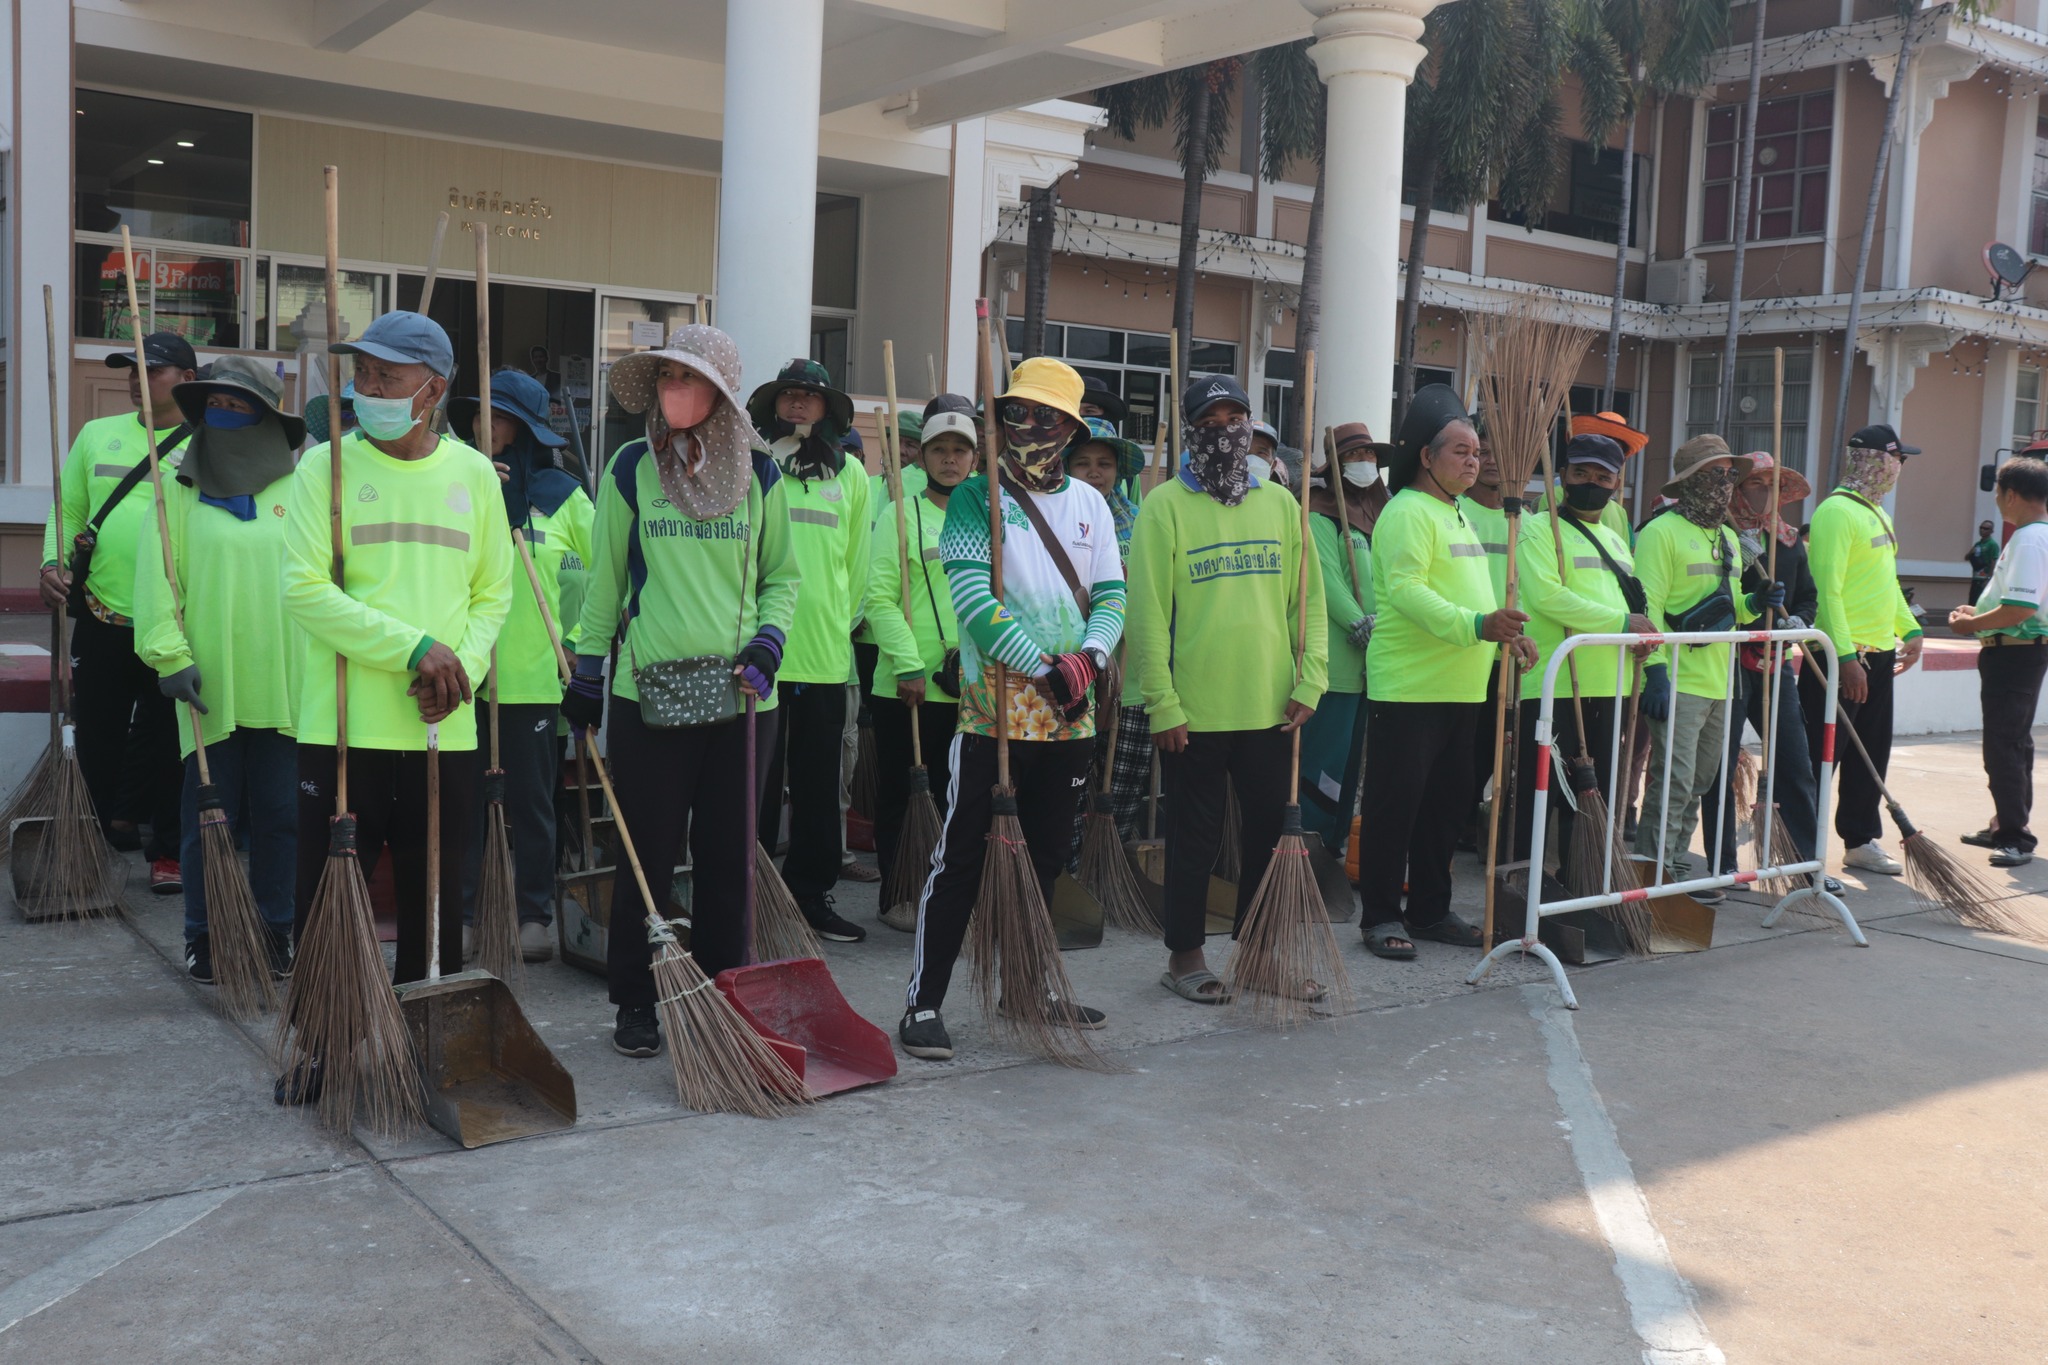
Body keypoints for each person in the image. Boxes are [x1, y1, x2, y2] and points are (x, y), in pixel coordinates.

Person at [564, 325, 797, 1058]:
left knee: (729, 860)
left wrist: (770, 641)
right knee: (647, 856)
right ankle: (637, 999)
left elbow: (783, 578)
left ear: (721, 392)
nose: (673, 391)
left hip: (743, 697)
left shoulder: (762, 475)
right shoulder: (631, 466)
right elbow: (605, 581)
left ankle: (725, 995)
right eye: (665, 377)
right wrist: (588, 672)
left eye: (688, 379)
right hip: (650, 696)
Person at [280, 311, 512, 1012]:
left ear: (432, 389)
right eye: (362, 372)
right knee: (329, 905)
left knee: (433, 912)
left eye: (386, 375)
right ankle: (324, 1043)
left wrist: (460, 671)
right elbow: (303, 590)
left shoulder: (475, 474)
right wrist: (415, 649)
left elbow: (492, 593)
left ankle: (421, 1043)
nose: (367, 387)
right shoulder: (324, 467)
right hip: (342, 728)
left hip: (444, 730)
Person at [900, 357, 1125, 1061]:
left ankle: (1027, 987)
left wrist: (1089, 659)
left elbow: (1112, 594)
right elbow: (973, 598)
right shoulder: (976, 498)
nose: (1029, 427)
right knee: (961, 859)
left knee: (1047, 857)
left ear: (1071, 429)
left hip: (1070, 716)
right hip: (991, 715)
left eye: (1046, 417)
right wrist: (1042, 666)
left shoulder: (1091, 505)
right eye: (1016, 413)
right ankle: (923, 1001)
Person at [1125, 373, 1326, 1004]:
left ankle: (1260, 955)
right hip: (1194, 712)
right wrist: (1162, 702)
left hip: (1272, 706)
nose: (1224, 432)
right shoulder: (1164, 505)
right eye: (1210, 423)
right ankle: (1185, 955)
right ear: (1191, 432)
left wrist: (1312, 677)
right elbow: (1147, 614)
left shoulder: (1281, 504)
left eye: (1234, 420)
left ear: (1251, 425)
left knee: (1268, 836)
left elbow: (1308, 603)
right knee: (1195, 838)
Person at [133, 356, 305, 983]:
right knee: (209, 816)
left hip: (287, 682)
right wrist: (169, 655)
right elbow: (157, 582)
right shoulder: (175, 490)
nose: (223, 414)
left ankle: (276, 929)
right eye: (215, 404)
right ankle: (203, 934)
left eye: (238, 405)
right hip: (208, 685)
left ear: (265, 416)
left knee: (282, 816)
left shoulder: (303, 491)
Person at [1357, 386, 1534, 959]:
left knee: (1445, 809)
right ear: (1425, 457)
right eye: (1460, 451)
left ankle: (1430, 910)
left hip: (1463, 688)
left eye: (1476, 452)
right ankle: (1381, 915)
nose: (1473, 461)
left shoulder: (1454, 513)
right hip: (1410, 689)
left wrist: (1506, 633)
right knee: (1395, 809)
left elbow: (1470, 594)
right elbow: (1407, 592)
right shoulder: (1408, 511)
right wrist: (1479, 625)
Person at [40, 331, 197, 892]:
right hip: (101, 614)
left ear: (188, 379)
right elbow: (69, 509)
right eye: (131, 369)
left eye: (152, 370)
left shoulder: (206, 442)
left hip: (173, 624)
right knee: (98, 739)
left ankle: (169, 853)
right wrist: (52, 562)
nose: (136, 379)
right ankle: (94, 844)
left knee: (171, 743)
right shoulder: (96, 434)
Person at [450, 368, 593, 964]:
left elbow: (603, 576)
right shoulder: (451, 481)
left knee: (533, 803)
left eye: (502, 417)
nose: (487, 426)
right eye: (481, 413)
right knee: (464, 804)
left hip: (533, 676)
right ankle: (463, 914)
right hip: (461, 673)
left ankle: (534, 913)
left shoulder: (564, 497)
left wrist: (579, 645)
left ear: (528, 430)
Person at [748, 359, 871, 942]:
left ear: (827, 409)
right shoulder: (755, 462)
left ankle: (810, 896)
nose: (798, 403)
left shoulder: (851, 474)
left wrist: (835, 627)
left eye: (810, 396)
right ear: (775, 404)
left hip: (823, 656)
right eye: (790, 394)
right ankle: (748, 895)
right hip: (760, 655)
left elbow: (858, 567)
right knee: (755, 785)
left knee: (819, 789)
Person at [1631, 436, 1776, 899]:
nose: (1725, 483)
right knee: (1672, 782)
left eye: (1730, 475)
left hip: (1720, 681)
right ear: (1691, 481)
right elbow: (1648, 606)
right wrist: (1655, 670)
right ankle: (1653, 873)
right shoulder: (1660, 533)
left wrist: (1755, 601)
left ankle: (1675, 865)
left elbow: (1729, 609)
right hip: (1677, 678)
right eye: (1716, 474)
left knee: (1700, 782)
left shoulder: (1728, 537)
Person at [1512, 434, 1654, 881]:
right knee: (1540, 795)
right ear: (1563, 476)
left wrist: (1640, 638)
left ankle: (1582, 882)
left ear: (1617, 483)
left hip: (1611, 684)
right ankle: (1523, 883)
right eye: (1581, 473)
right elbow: (1547, 596)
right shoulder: (1538, 528)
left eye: (1602, 477)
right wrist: (1621, 623)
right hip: (1555, 682)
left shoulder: (1616, 540)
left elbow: (1632, 603)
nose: (1591, 483)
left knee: (1597, 795)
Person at [1697, 453, 1834, 893]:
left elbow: (1808, 597)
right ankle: (1722, 865)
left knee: (1795, 762)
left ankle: (1805, 865)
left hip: (1776, 665)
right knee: (1721, 766)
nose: (1765, 493)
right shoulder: (1719, 536)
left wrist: (1799, 621)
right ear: (1737, 489)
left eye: (1773, 486)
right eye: (1756, 484)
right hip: (1729, 663)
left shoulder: (1789, 542)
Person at [1799, 424, 1925, 876]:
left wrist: (1909, 629)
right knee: (1821, 755)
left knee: (1870, 751)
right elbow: (1826, 592)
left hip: (1879, 655)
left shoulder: (1876, 513)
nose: (1900, 469)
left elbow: (1886, 583)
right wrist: (1846, 657)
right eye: (1898, 459)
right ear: (1878, 461)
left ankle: (1859, 839)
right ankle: (1801, 847)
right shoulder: (1836, 512)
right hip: (1840, 657)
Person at [867, 397, 973, 928]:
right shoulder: (900, 514)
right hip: (909, 685)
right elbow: (879, 599)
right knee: (905, 794)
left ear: (975, 458)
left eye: (960, 450)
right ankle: (900, 893)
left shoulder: (989, 516)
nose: (949, 459)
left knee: (962, 797)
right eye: (939, 450)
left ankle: (951, 895)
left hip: (974, 685)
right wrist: (908, 665)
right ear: (923, 457)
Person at [1948, 456, 2048, 868]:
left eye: (1998, 492)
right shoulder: (2035, 536)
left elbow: (2021, 608)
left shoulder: (2029, 539)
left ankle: (2014, 836)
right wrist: (1979, 615)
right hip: (2019, 650)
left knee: (2003, 746)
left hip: (2015, 653)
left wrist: (1969, 625)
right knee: (2015, 743)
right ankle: (2007, 823)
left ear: (2011, 494)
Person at [1298, 421, 1386, 855]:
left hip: (1375, 664)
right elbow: (1326, 581)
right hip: (1336, 667)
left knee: (1354, 765)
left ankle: (1334, 845)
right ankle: (1311, 844)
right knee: (1326, 763)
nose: (1364, 462)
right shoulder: (1320, 514)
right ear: (1334, 465)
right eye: (1353, 456)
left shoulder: (1382, 515)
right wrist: (1359, 622)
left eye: (1369, 455)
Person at [1967, 518, 2001, 604]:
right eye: (1981, 527)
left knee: (1981, 603)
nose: (1982, 530)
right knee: (1972, 601)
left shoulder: (1992, 544)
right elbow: (1966, 558)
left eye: (1986, 528)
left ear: (1991, 531)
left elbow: (1993, 562)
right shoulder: (1978, 544)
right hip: (1976, 577)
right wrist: (1971, 553)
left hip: (1984, 579)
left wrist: (1988, 579)